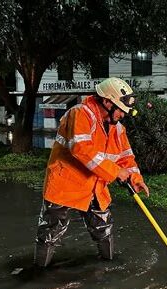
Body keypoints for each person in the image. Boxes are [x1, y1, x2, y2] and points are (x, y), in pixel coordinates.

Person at [34, 77, 150, 267]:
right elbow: (81, 149)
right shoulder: (80, 113)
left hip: (96, 186)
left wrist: (134, 178)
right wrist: (115, 172)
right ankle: (37, 276)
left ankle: (109, 266)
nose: (122, 114)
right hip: (66, 184)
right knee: (50, 232)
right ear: (106, 101)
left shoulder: (118, 129)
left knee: (104, 228)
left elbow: (125, 157)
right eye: (120, 109)